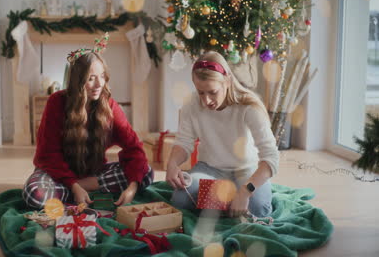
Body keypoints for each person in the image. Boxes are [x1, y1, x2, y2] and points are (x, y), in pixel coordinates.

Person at [22, 35, 153, 209]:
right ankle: (75, 189)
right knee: (35, 194)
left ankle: (74, 191)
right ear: (78, 80)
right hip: (57, 174)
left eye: (102, 76)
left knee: (145, 173)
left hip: (92, 175)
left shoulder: (110, 106)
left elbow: (134, 148)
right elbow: (48, 155)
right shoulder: (57, 102)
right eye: (91, 78)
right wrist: (73, 184)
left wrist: (132, 187)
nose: (99, 84)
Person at [166, 51, 279, 217]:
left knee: (258, 209)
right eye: (200, 92)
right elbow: (184, 143)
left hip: (247, 171)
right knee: (179, 200)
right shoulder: (191, 105)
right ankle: (225, 200)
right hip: (209, 170)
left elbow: (271, 157)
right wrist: (172, 164)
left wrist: (245, 192)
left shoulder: (249, 106)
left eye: (212, 92)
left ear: (227, 81)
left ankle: (221, 200)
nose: (206, 101)